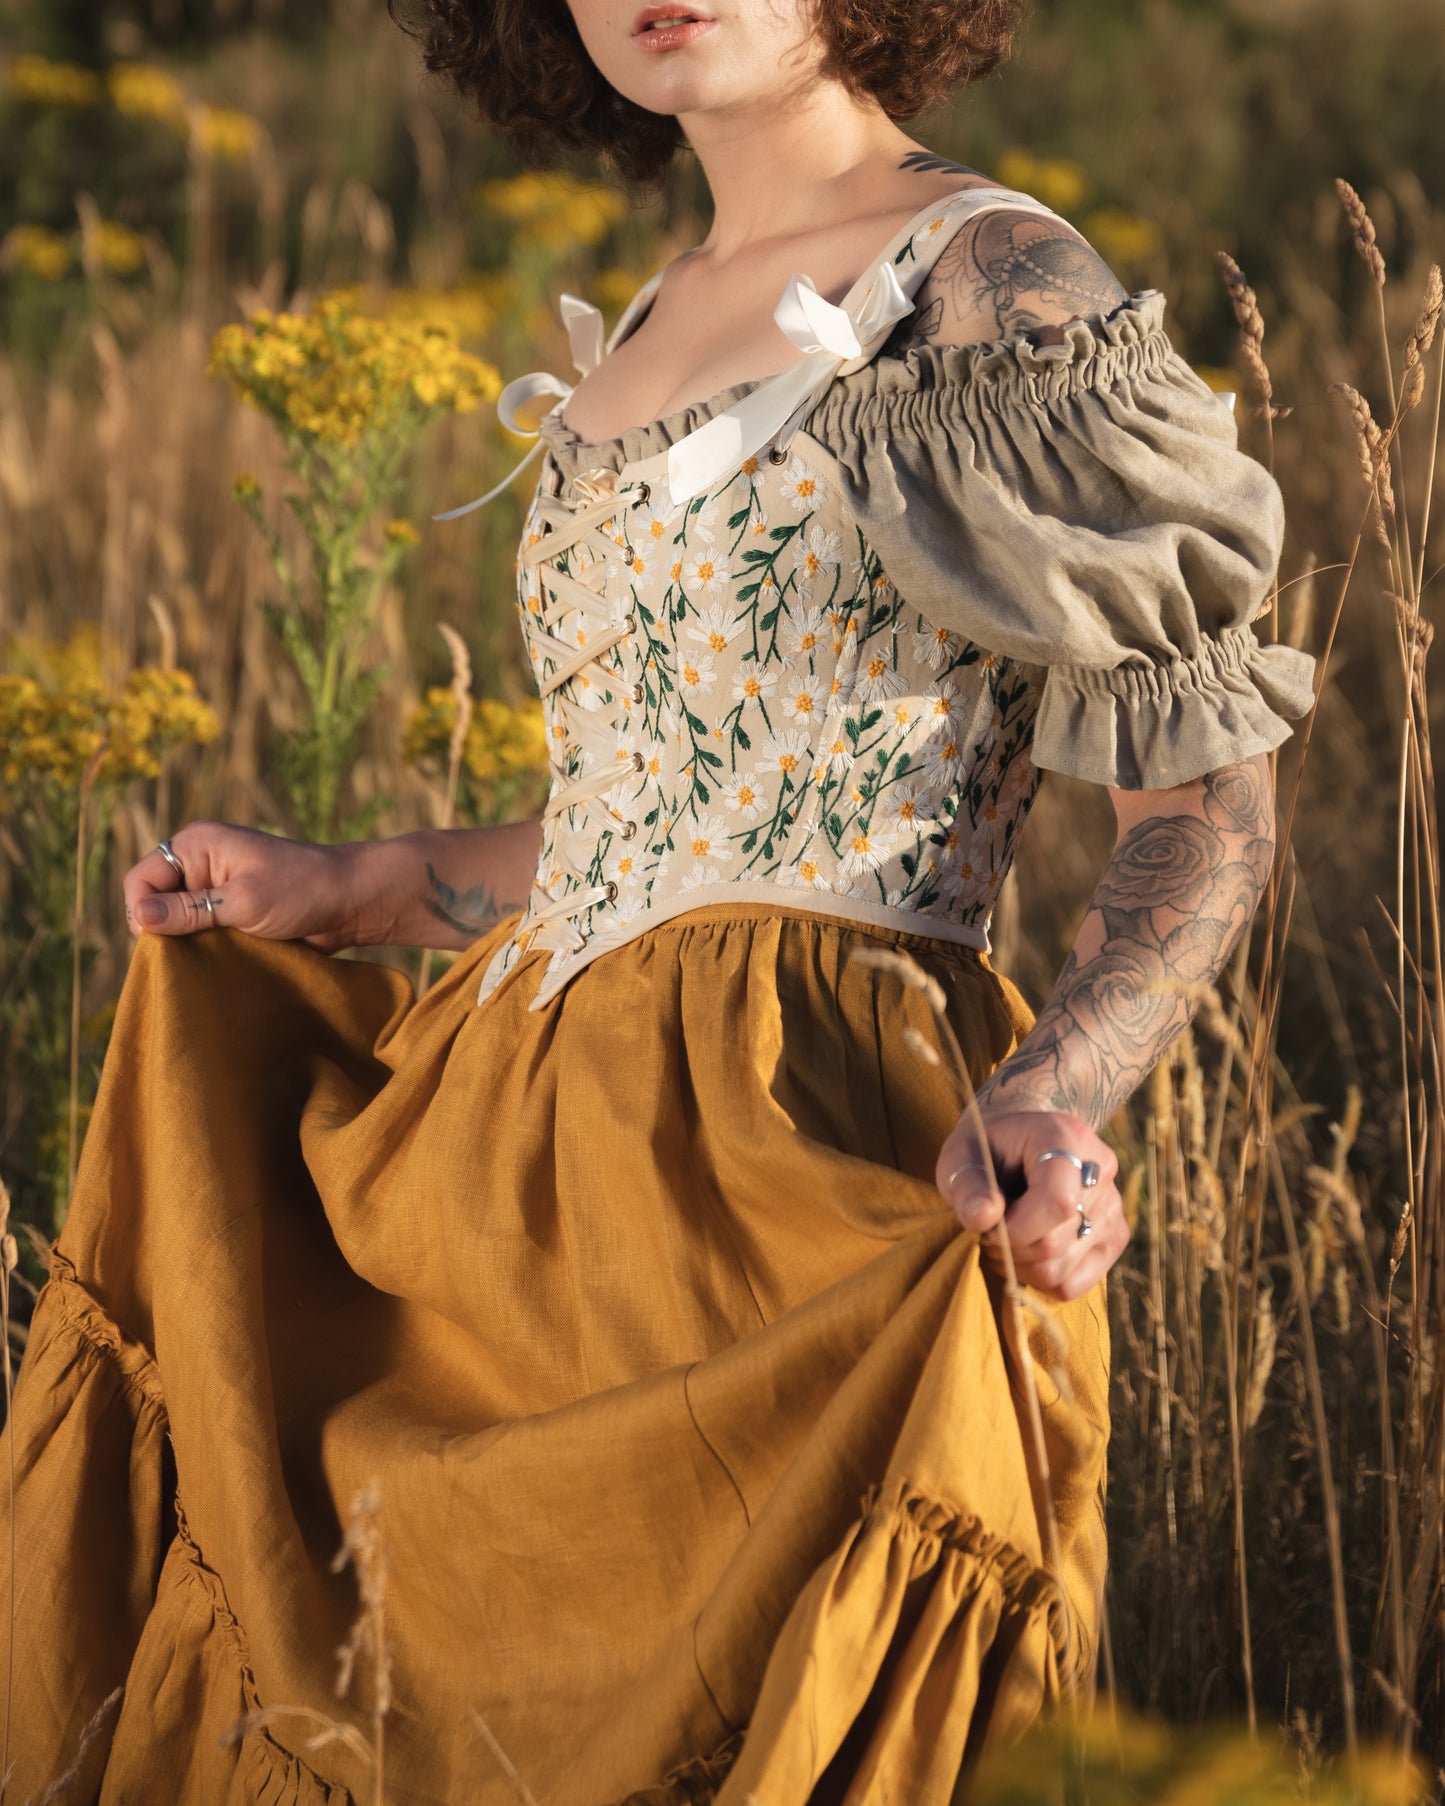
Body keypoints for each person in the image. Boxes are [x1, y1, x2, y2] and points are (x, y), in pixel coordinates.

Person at [0, 0, 1317, 1799]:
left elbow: (1206, 799)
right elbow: (648, 818)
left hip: (789, 1158)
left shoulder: (993, 281)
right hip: (502, 1161)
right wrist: (357, 882)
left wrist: (1052, 1092)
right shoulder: (651, 308)